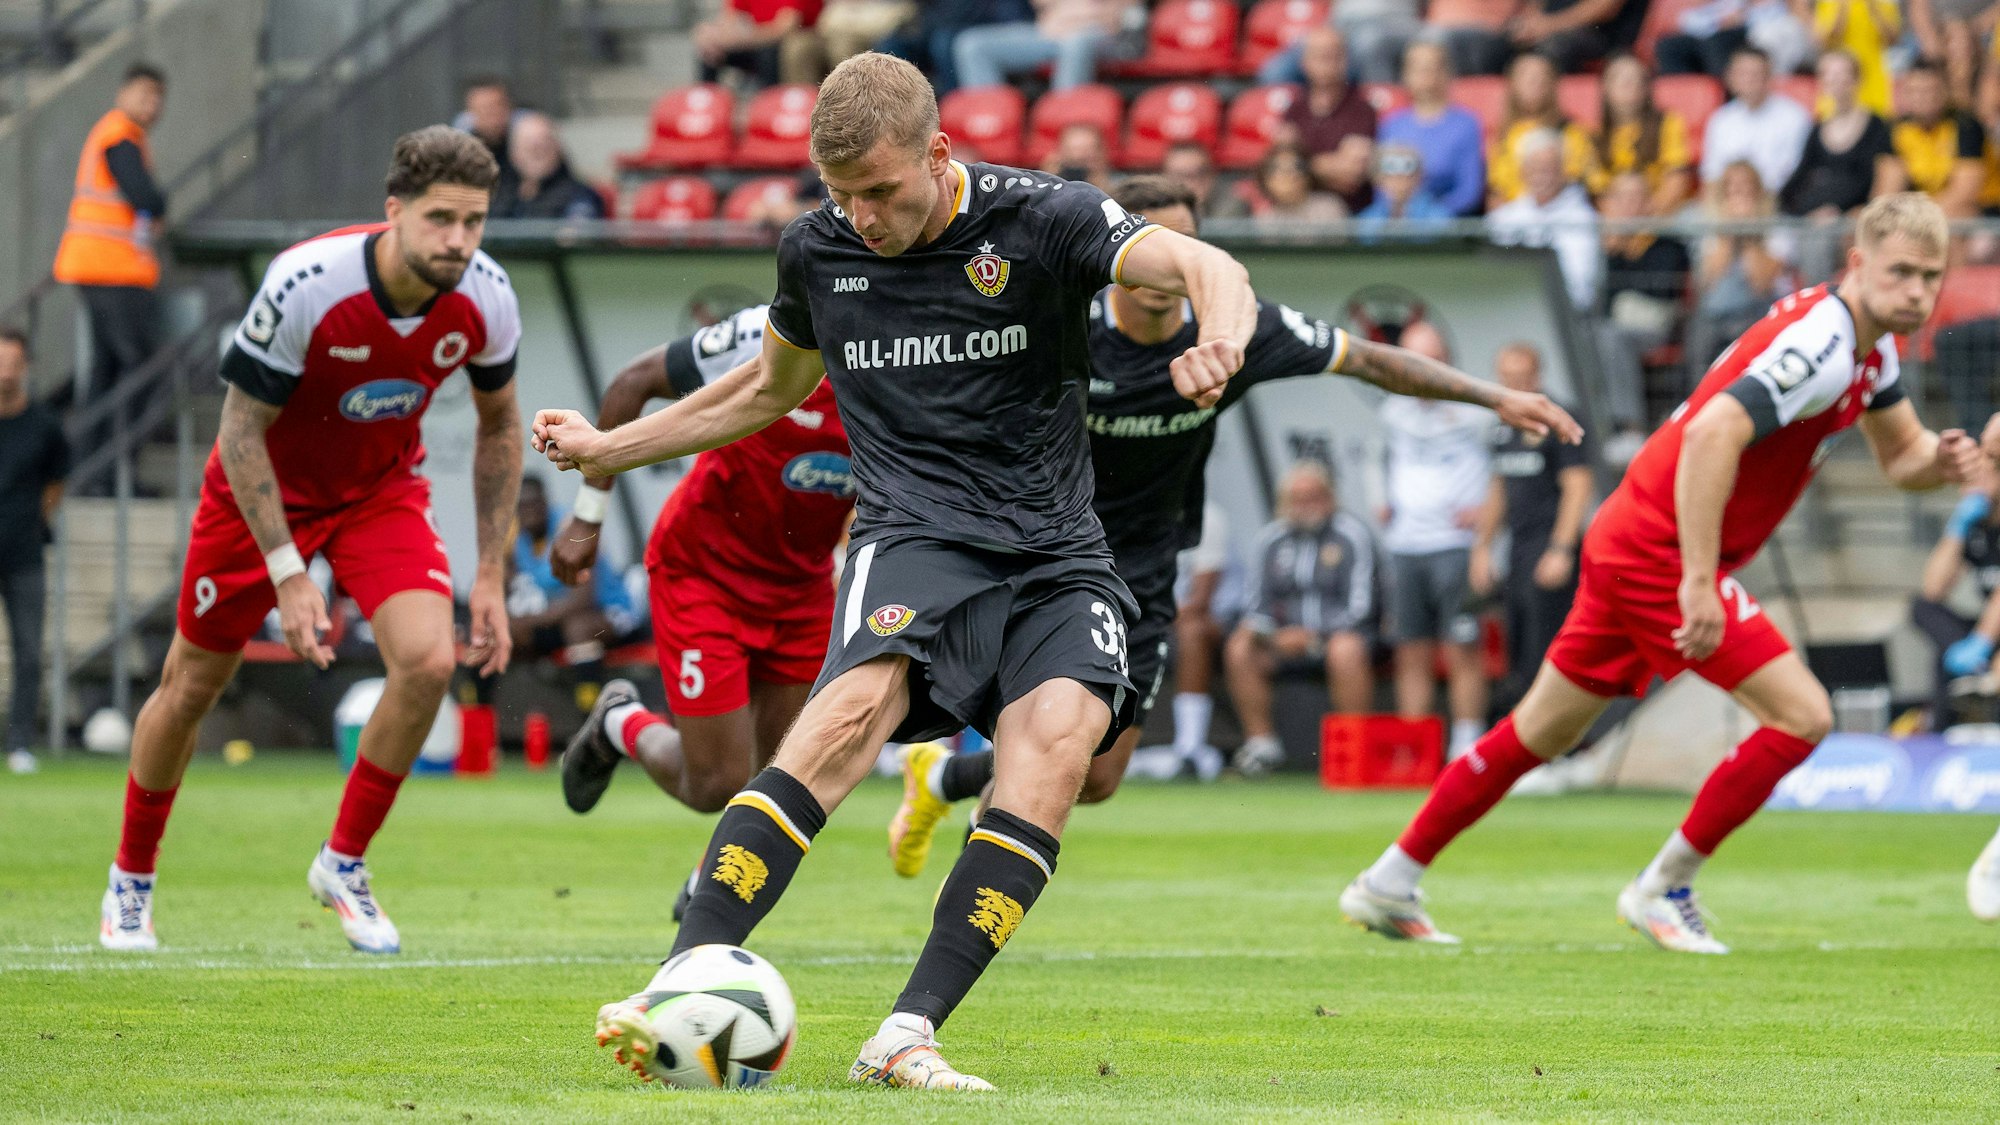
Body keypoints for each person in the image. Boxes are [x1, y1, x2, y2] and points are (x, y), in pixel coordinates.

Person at [533, 52, 1261, 1091]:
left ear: (938, 152)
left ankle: (905, 1035)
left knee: (1059, 756)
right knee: (839, 722)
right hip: (913, 535)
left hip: (1058, 550)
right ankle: (676, 982)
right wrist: (612, 450)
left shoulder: (1044, 219)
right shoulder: (819, 252)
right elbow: (761, 392)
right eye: (840, 194)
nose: (862, 216)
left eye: (879, 190)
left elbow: (1209, 270)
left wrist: (1221, 339)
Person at [1340, 192, 1986, 954]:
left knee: (1536, 733)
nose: (1915, 291)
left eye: (1929, 277)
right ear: (1857, 263)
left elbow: (1903, 458)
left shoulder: (1871, 349)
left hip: (1633, 536)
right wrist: (1699, 579)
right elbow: (1715, 431)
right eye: (1900, 272)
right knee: (1804, 714)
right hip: (1660, 549)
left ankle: (1388, 879)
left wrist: (1946, 463)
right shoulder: (1824, 342)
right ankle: (1661, 887)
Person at [883, 176, 1581, 843]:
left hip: (1146, 570)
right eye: (1157, 248)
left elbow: (1371, 360)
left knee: (1096, 776)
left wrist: (1495, 397)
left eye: (1188, 252)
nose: (1171, 270)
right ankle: (976, 887)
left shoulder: (1234, 334)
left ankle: (944, 776)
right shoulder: (1062, 321)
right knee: (1045, 745)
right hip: (1043, 553)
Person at [95, 127, 523, 955]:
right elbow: (240, 431)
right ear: (392, 211)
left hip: (378, 491)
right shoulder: (306, 281)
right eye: (440, 219)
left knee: (431, 661)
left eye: (474, 222)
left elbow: (501, 427)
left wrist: (493, 576)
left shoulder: (489, 296)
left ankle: (344, 863)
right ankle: (131, 880)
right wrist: (290, 572)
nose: (458, 241)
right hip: (259, 496)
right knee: (191, 686)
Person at [552, 305, 861, 927]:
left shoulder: (923, 361)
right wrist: (588, 515)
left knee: (784, 778)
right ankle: (621, 722)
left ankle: (706, 884)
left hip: (802, 589)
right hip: (705, 573)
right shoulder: (763, 333)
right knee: (717, 781)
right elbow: (630, 385)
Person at [1377, 321, 1498, 761]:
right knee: (1411, 651)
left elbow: (1500, 467)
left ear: (1445, 359)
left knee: (1463, 647)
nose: (1420, 367)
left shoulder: (1476, 406)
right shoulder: (1392, 409)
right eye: (1412, 356)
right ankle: (1416, 748)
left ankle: (1467, 746)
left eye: (1429, 357)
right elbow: (1378, 458)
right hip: (1405, 545)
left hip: (1455, 545)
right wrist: (1380, 498)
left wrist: (1487, 512)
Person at [1225, 462, 1381, 774]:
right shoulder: (1270, 539)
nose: (1307, 505)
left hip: (1338, 639)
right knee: (1241, 645)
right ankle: (1262, 747)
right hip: (1281, 641)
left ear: (1330, 497)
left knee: (1346, 649)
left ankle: (1354, 749)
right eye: (1298, 498)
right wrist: (1274, 635)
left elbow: (1361, 606)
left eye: (1315, 496)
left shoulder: (1352, 535)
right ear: (1284, 502)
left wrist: (1315, 635)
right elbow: (1255, 604)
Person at [1470, 343, 1594, 712]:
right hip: (1518, 552)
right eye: (1507, 377)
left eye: (1522, 376)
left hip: (1550, 548)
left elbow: (1578, 486)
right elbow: (1498, 489)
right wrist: (1482, 548)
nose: (1515, 384)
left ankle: (1563, 750)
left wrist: (1561, 549)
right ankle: (1528, 747)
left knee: (1549, 651)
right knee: (1520, 652)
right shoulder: (1502, 425)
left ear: (1537, 376)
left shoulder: (1561, 417)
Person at [53, 64, 168, 420]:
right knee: (140, 365)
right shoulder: (120, 135)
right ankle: (115, 463)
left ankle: (101, 469)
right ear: (122, 94)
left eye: (158, 97)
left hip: (101, 266)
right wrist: (158, 206)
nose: (152, 103)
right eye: (144, 93)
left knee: (106, 369)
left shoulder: (119, 135)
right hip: (111, 268)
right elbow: (146, 197)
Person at [504, 475, 641, 712]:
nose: (529, 511)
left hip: (608, 611)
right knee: (509, 631)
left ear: (545, 502)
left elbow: (583, 599)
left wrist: (530, 620)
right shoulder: (518, 539)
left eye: (534, 503)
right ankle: (526, 712)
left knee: (578, 628)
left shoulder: (571, 528)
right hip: (555, 617)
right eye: (522, 505)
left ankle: (590, 711)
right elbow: (505, 586)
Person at [0, 331, 69, 776]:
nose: (5, 370)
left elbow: (55, 484)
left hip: (24, 554)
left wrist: (33, 521)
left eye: (13, 361)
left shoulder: (44, 425)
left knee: (28, 651)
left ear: (26, 367)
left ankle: (20, 742)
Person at [1687, 160, 1796, 376]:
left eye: (1746, 189)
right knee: (1698, 339)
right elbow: (1709, 280)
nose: (1740, 197)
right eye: (1733, 189)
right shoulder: (1709, 228)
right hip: (1714, 317)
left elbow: (1762, 284)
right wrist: (1729, 232)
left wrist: (1749, 233)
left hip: (1758, 313)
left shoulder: (1776, 229)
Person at [1911, 467, 2000, 726]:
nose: (1970, 486)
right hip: (1989, 631)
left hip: (1993, 632)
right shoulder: (1978, 528)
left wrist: (1982, 641)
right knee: (1923, 609)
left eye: (1981, 474)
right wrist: (1957, 528)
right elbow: (1933, 588)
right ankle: (1939, 738)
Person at [1489, 129, 1602, 311]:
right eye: (1533, 167)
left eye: (1548, 168)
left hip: (1564, 315)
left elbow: (1580, 282)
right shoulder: (1503, 218)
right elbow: (1492, 270)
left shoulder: (1582, 219)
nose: (1540, 175)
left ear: (1563, 170)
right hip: (1508, 309)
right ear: (1522, 171)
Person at [1780, 49, 1900, 220]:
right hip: (1817, 217)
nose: (1835, 81)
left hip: (1857, 219)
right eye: (1828, 74)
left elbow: (1879, 177)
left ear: (1856, 79)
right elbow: (1799, 178)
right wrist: (1802, 212)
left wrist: (1849, 212)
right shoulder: (1818, 128)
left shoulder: (1876, 126)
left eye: (1841, 73)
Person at [1376, 41, 1487, 218]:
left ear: (1447, 73)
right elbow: (1381, 187)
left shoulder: (1466, 124)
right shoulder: (1392, 125)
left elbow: (1469, 192)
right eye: (1418, 68)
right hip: (1396, 223)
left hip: (1445, 225)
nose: (1426, 75)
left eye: (1433, 67)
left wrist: (1428, 216)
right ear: (1405, 74)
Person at [1274, 27, 1377, 214]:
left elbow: (1351, 175)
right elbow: (1281, 170)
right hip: (1296, 207)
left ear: (1345, 60)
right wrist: (1329, 165)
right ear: (1304, 62)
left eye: (1333, 55)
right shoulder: (1294, 110)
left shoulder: (1361, 109)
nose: (1326, 62)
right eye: (1319, 55)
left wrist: (1304, 165)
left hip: (1346, 210)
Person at [1699, 47, 1814, 205]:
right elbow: (1711, 175)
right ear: (1731, 78)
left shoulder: (1795, 117)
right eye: (1743, 73)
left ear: (1770, 77)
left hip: (1781, 204)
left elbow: (1798, 175)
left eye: (1756, 74)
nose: (1749, 80)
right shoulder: (1720, 120)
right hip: (1729, 208)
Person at [1586, 53, 1695, 216]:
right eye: (1621, 78)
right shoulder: (1593, 134)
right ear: (1606, 87)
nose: (1630, 84)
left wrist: (1649, 216)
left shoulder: (1668, 123)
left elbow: (1677, 179)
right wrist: (1619, 218)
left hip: (1661, 214)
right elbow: (1598, 192)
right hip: (1614, 220)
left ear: (1647, 87)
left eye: (1637, 79)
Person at [1486, 52, 1597, 209]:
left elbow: (1584, 186)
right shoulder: (1502, 136)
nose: (1534, 81)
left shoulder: (1572, 133)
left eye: (1541, 75)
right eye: (1525, 75)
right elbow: (1495, 191)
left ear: (1553, 83)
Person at [952, 0, 1133, 92]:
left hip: (1102, 33)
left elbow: (1118, 16)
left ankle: (1059, 120)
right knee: (972, 45)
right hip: (1051, 31)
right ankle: (990, 123)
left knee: (1075, 43)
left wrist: (1079, 17)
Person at [1888, 60, 1989, 220]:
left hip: (1981, 210)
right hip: (1921, 212)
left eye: (1929, 90)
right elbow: (1888, 187)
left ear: (1945, 92)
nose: (1922, 98)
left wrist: (1921, 218)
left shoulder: (1966, 126)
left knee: (1958, 219)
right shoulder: (1898, 129)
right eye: (1915, 91)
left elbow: (1965, 191)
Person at [1255, 0, 1421, 86]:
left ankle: (1376, 111)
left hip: (1393, 24)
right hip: (1342, 25)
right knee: (1277, 68)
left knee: (1368, 42)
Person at [491, 113, 607, 221]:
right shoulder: (497, 194)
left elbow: (576, 236)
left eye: (544, 143)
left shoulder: (580, 197)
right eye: (528, 144)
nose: (536, 151)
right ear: (513, 153)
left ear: (557, 148)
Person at [696, 0, 824, 87]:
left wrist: (742, 40)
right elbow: (730, 19)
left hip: (797, 40)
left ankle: (768, 108)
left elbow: (786, 28)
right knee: (711, 52)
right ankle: (705, 106)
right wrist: (714, 36)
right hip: (758, 41)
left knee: (768, 53)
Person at [1811, 0, 1901, 118]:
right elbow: (1825, 40)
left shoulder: (1884, 2)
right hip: (1839, 79)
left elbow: (1893, 39)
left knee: (1876, 124)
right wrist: (1843, 6)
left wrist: (1873, 6)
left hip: (1873, 79)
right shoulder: (1829, 2)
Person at [1355, 144, 1456, 236]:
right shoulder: (1366, 221)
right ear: (1378, 179)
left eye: (1407, 176)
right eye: (1390, 176)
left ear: (1419, 178)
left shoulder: (1440, 219)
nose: (1399, 182)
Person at [1248, 144, 1349, 224]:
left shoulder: (1329, 208)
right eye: (1276, 168)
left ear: (1308, 175)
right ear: (1265, 179)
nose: (1287, 173)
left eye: (1298, 166)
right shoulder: (1264, 219)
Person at [1160, 142, 1250, 220]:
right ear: (1165, 178)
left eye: (1200, 173)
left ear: (1213, 175)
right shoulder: (1153, 212)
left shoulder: (1232, 207)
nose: (1191, 182)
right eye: (1181, 175)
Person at [453, 76, 519, 165]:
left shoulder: (525, 145)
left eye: (498, 107)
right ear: (469, 112)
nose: (493, 115)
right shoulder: (460, 153)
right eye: (485, 109)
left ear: (509, 107)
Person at [1041, 122, 1115, 192]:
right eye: (1071, 151)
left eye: (1084, 159)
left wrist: (1101, 185)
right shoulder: (1043, 183)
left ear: (1100, 154)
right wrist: (1047, 180)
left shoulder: (1120, 185)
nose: (1078, 157)